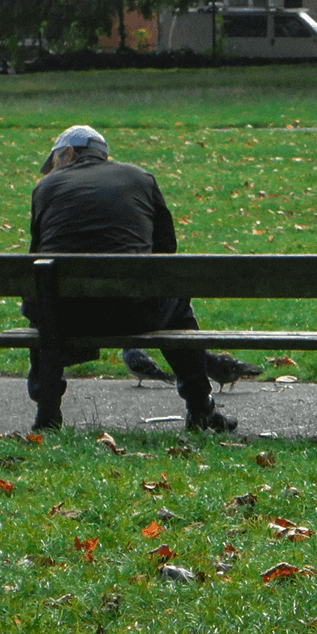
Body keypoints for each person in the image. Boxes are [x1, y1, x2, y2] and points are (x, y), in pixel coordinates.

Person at [24, 125, 236, 433]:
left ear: (69, 153)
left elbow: (36, 259)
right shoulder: (140, 178)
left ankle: (47, 413)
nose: (53, 169)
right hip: (137, 312)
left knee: (43, 298)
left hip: (66, 316)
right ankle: (200, 408)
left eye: (54, 160)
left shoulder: (45, 188)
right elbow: (166, 250)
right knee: (177, 299)